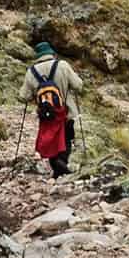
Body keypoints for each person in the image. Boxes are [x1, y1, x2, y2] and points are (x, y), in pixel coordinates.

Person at [21, 42, 83, 178]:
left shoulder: (31, 72)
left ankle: (56, 164)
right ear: (51, 53)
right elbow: (78, 86)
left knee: (50, 136)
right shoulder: (62, 65)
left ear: (38, 55)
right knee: (66, 136)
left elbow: (24, 96)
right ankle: (61, 163)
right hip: (66, 111)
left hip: (46, 113)